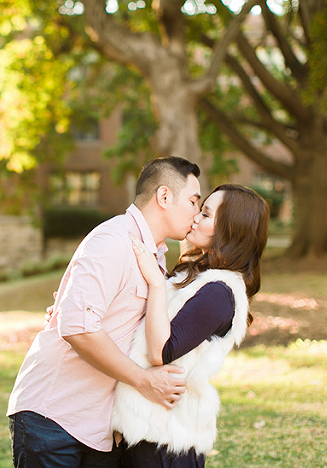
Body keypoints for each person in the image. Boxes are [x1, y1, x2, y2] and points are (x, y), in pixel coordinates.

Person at [7, 156, 202, 468]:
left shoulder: (156, 257)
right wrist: (143, 380)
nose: (196, 213)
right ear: (164, 197)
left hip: (100, 428)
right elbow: (77, 327)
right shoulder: (112, 240)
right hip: (55, 418)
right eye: (194, 201)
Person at [111, 184, 270, 468]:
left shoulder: (220, 291)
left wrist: (156, 283)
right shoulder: (196, 277)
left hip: (168, 441)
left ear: (229, 231)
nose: (195, 216)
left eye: (206, 214)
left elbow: (161, 351)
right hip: (147, 430)